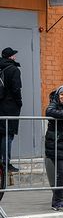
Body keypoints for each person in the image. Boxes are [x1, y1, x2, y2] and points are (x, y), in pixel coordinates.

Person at [0, 47, 22, 175]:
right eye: (14, 55)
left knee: (1, 134)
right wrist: (19, 103)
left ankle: (1, 164)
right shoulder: (13, 69)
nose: (15, 57)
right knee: (8, 135)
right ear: (10, 57)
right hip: (10, 107)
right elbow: (16, 89)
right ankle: (6, 164)